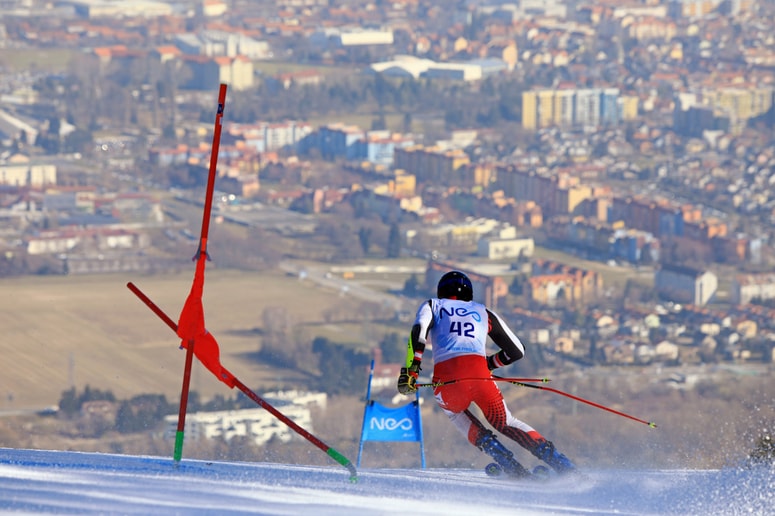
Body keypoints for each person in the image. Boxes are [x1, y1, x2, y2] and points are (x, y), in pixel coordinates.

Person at [397, 270, 575, 477]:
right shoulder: (483, 311)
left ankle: (508, 463)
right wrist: (489, 364)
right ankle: (563, 465)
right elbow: (517, 351)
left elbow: (418, 333)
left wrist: (411, 372)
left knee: (456, 413)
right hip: (481, 377)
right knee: (506, 422)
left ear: (441, 291)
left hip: (447, 380)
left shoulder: (433, 305)